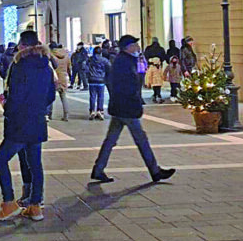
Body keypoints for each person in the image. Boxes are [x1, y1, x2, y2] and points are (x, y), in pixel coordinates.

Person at [91, 35, 176, 185]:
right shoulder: (124, 63)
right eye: (135, 45)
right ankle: (155, 171)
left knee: (111, 140)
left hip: (119, 107)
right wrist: (136, 102)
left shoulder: (123, 61)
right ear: (127, 47)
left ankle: (98, 169)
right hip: (127, 108)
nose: (137, 47)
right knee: (141, 140)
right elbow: (129, 87)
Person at [0, 31, 55, 222]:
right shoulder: (46, 65)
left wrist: (6, 106)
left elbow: (16, 95)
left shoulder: (19, 66)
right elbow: (50, 95)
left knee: (0, 159)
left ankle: (9, 202)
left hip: (20, 122)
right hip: (37, 120)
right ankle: (35, 206)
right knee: (35, 163)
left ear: (22, 46)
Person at [86, 47, 112, 121]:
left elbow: (85, 67)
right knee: (101, 96)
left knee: (92, 96)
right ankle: (100, 110)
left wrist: (88, 75)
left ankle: (92, 111)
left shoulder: (90, 59)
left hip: (92, 80)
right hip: (101, 80)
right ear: (101, 52)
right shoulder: (104, 60)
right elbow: (109, 68)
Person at [49, 43, 71, 121]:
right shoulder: (66, 55)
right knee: (63, 97)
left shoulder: (50, 55)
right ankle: (66, 115)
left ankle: (49, 115)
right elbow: (69, 67)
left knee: (50, 96)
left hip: (53, 78)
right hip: (63, 77)